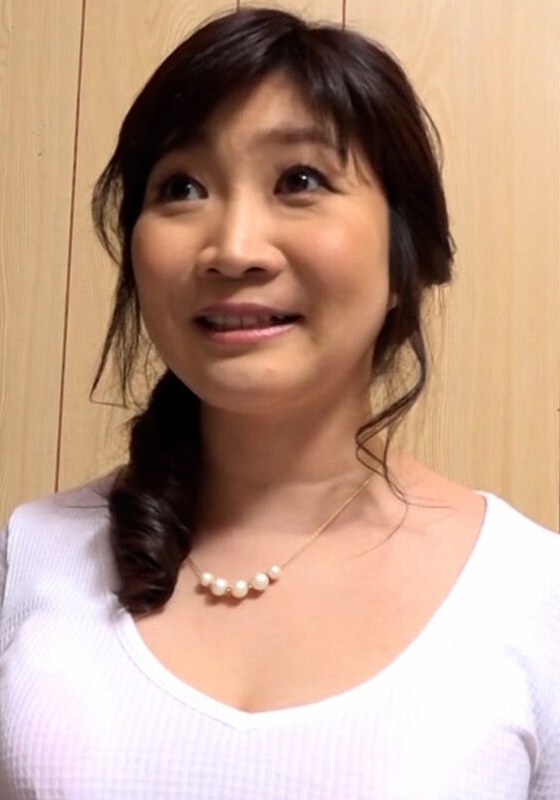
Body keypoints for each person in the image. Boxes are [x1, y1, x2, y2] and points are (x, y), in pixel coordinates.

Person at [0, 7, 558, 799]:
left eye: (300, 180)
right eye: (182, 187)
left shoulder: (533, 594)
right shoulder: (30, 561)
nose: (233, 249)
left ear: (405, 255)